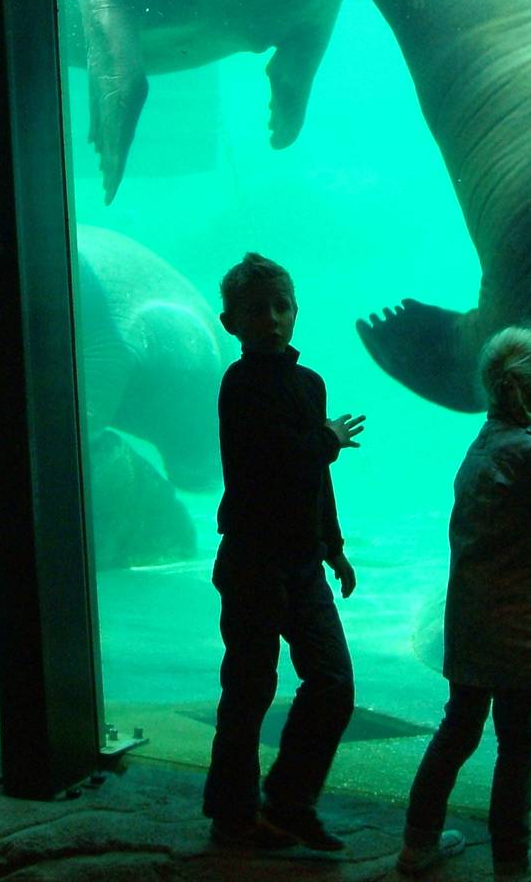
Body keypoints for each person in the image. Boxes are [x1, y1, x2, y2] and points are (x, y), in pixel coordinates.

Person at [396, 326, 531, 881]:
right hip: (515, 625)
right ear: (530, 391)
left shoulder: (485, 442)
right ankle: (513, 865)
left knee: (459, 730)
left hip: (471, 621)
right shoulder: (529, 452)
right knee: (518, 743)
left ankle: (417, 844)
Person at [201, 252, 367, 852]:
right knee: (249, 688)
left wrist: (336, 548)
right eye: (255, 310)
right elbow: (272, 461)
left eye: (281, 306)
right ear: (231, 323)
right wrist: (327, 439)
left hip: (301, 560)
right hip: (251, 561)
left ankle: (290, 801)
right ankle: (233, 815)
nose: (271, 319)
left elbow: (315, 479)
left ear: (296, 311)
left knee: (333, 683)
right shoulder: (239, 384)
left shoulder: (309, 383)